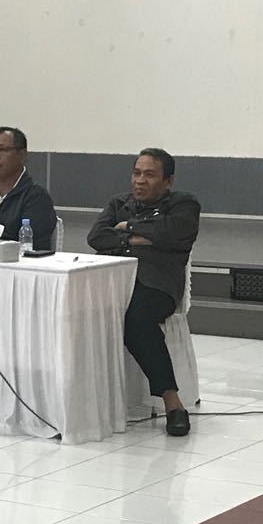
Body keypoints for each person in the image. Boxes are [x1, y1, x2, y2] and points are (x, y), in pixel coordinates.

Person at [87, 148, 200, 436]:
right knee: (77, 308)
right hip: (114, 281)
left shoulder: (184, 204)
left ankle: (172, 402)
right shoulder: (119, 202)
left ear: (168, 181)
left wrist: (128, 227)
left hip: (157, 284)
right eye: (136, 173)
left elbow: (174, 233)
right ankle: (86, 399)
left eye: (149, 175)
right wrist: (138, 239)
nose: (140, 181)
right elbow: (97, 237)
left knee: (136, 318)